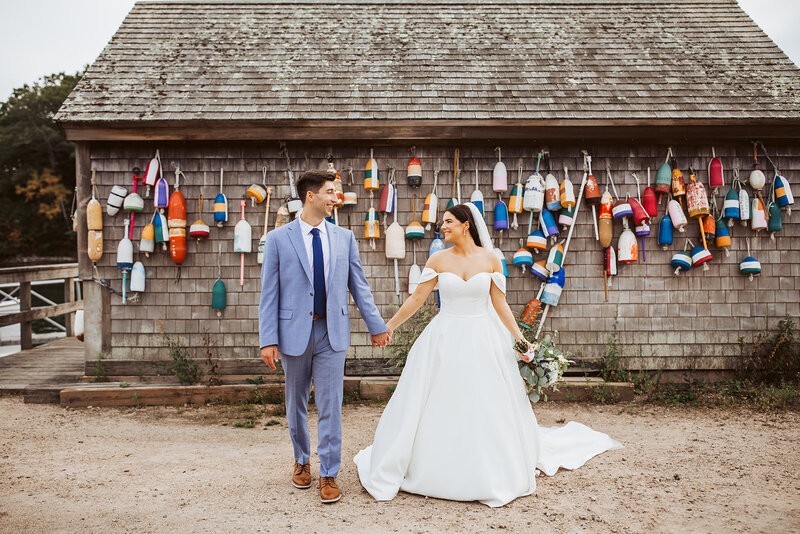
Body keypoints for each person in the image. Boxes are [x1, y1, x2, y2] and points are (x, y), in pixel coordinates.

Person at [354, 203, 622, 507]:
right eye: (442, 222)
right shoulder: (438, 259)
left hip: (484, 338)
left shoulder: (492, 259)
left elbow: (500, 304)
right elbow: (417, 298)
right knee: (438, 399)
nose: (442, 227)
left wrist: (521, 341)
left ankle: (487, 466)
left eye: (448, 222)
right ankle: (433, 462)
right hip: (444, 338)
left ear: (466, 224)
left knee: (484, 401)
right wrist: (386, 327)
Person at [259, 170, 391, 504]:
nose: (336, 199)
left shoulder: (344, 237)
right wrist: (267, 339)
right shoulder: (278, 239)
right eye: (330, 192)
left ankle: (329, 472)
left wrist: (376, 326)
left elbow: (358, 286)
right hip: (292, 334)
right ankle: (301, 461)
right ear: (311, 196)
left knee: (331, 405)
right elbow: (269, 294)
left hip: (332, 332)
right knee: (296, 403)